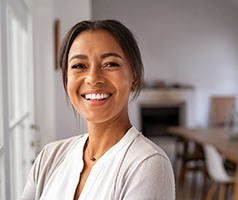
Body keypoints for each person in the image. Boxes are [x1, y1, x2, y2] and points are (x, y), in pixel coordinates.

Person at [21, 19, 175, 200]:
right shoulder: (49, 157)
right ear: (66, 79)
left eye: (110, 64)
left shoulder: (147, 164)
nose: (93, 79)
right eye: (79, 66)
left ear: (134, 77)